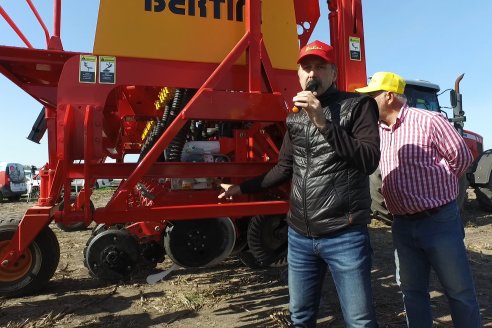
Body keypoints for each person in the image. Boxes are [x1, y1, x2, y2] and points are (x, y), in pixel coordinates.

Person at [219, 40, 380, 327]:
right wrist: (240, 188)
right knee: (301, 316)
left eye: (320, 67)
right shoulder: (294, 118)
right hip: (299, 237)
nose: (312, 74)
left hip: (343, 233)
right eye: (306, 68)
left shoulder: (358, 106)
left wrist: (322, 121)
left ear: (333, 72)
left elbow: (368, 160)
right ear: (298, 74)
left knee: (359, 320)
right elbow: (283, 169)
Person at [356, 72, 482, 328]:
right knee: (411, 292)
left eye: (371, 96)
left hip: (438, 221)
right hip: (402, 225)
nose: (367, 102)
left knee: (459, 291)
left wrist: (439, 187)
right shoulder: (378, 132)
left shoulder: (429, 121)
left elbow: (462, 159)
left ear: (389, 96)